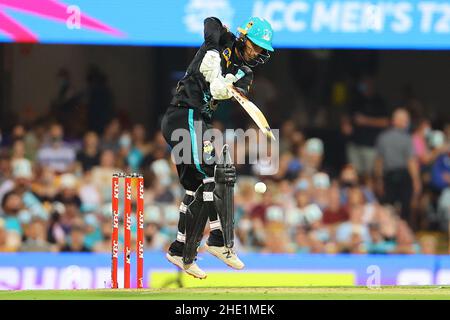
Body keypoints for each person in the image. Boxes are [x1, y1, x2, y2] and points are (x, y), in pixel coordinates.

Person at [161, 16, 274, 279]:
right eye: (254, 45)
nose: (256, 52)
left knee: (194, 187)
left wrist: (223, 86)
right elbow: (211, 21)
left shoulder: (246, 73)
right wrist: (211, 50)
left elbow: (233, 92)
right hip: (184, 114)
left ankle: (179, 250)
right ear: (244, 38)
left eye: (261, 50)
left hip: (197, 121)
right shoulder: (224, 40)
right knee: (212, 172)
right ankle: (219, 239)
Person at [374, 108, 421, 226]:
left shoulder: (382, 137)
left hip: (388, 176)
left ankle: (389, 230)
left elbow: (379, 161)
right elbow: (411, 161)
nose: (407, 123)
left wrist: (379, 179)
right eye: (405, 120)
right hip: (404, 176)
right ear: (397, 121)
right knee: (405, 207)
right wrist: (416, 180)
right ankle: (404, 230)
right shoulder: (407, 138)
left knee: (388, 207)